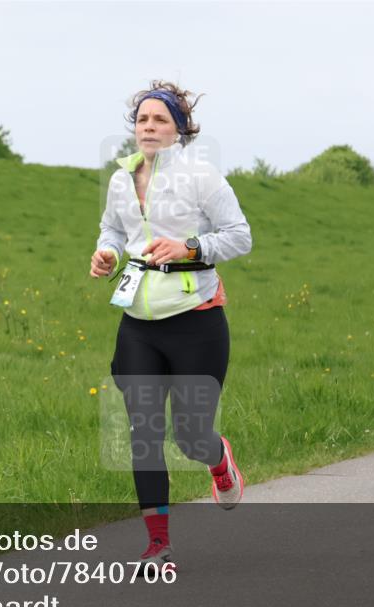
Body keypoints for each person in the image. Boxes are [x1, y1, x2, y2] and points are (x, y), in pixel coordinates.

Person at [90, 81, 252, 567]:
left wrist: (189, 247)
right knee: (143, 433)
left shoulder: (202, 177)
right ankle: (158, 544)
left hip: (196, 320)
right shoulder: (121, 179)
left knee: (190, 437)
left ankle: (218, 459)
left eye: (160, 120)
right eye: (142, 119)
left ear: (179, 130)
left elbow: (240, 237)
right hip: (138, 321)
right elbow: (113, 229)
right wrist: (107, 253)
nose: (149, 127)